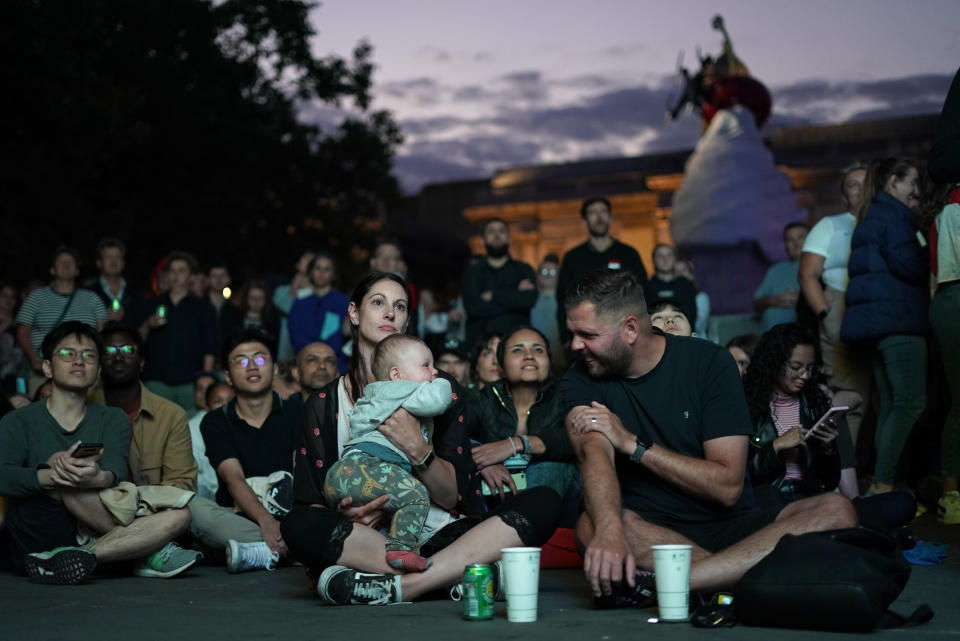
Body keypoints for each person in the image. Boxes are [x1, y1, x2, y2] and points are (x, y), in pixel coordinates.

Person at [561, 270, 855, 607]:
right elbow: (593, 454)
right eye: (573, 334)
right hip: (649, 531)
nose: (575, 345)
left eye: (587, 334)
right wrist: (610, 532)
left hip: (732, 528)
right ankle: (740, 582)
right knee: (591, 526)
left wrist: (634, 445)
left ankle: (681, 583)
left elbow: (727, 487)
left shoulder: (709, 362)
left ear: (629, 329)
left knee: (837, 510)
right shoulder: (581, 375)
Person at [281, 272, 561, 605]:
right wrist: (348, 514)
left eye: (399, 306)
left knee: (545, 500)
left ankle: (403, 585)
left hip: (437, 532)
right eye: (378, 303)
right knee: (297, 524)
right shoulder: (325, 404)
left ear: (407, 320)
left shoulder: (438, 389)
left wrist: (417, 447)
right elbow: (313, 499)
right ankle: (452, 577)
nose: (390, 313)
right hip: (366, 537)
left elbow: (450, 495)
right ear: (354, 313)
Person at [0, 322, 198, 583]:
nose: (79, 362)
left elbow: (114, 470)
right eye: (68, 354)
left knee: (181, 516)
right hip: (40, 529)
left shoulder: (112, 418)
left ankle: (83, 556)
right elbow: (4, 476)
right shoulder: (18, 421)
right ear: (47, 366)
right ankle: (147, 550)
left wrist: (97, 477)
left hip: (93, 526)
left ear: (98, 370)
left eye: (89, 355)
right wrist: (53, 475)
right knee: (69, 484)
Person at [743, 323, 916, 529]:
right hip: (769, 502)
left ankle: (827, 530)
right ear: (774, 362)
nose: (804, 375)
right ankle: (840, 532)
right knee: (770, 499)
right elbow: (740, 477)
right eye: (796, 367)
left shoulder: (814, 403)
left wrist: (827, 449)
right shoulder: (747, 404)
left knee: (902, 503)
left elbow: (828, 482)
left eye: (809, 368)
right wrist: (776, 447)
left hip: (810, 502)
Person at [324, 335, 450, 572]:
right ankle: (400, 549)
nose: (435, 372)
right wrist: (445, 383)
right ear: (396, 375)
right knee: (416, 495)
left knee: (396, 507)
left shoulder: (374, 394)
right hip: (367, 465)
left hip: (345, 474)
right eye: (426, 365)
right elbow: (438, 400)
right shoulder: (400, 390)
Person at [842, 157, 928, 496]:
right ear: (893, 182)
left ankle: (882, 482)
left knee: (892, 405)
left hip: (877, 326)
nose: (917, 191)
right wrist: (926, 243)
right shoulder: (895, 218)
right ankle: (883, 483)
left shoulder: (872, 215)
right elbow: (911, 265)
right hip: (899, 321)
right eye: (912, 182)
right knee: (909, 402)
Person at [193, 328, 299, 573]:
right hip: (240, 517)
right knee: (195, 511)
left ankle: (263, 552)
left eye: (260, 359)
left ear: (273, 369)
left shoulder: (297, 413)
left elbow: (301, 473)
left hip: (292, 517)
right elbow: (233, 479)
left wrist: (286, 524)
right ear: (228, 376)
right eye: (241, 361)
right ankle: (291, 550)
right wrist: (265, 521)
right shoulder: (215, 421)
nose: (252, 366)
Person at [798, 163, 870, 497]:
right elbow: (808, 274)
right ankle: (843, 480)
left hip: (879, 309)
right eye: (852, 185)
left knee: (883, 397)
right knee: (848, 395)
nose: (860, 189)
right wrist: (826, 314)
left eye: (866, 183)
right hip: (839, 308)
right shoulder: (830, 225)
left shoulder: (889, 223)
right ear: (844, 195)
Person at [468, 327, 578, 510]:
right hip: (495, 496)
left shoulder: (565, 394)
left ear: (548, 362)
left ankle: (515, 524)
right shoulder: (487, 396)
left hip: (554, 496)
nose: (529, 356)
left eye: (538, 350)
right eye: (518, 350)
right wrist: (482, 463)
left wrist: (518, 443)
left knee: (549, 466)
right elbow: (452, 434)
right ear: (501, 366)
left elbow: (579, 438)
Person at [99, 322, 197, 492]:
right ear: (98, 363)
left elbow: (181, 483)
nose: (118, 357)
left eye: (128, 350)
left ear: (142, 362)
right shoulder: (83, 411)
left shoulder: (170, 415)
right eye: (109, 351)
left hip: (156, 510)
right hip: (95, 508)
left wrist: (141, 507)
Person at [556, 197, 648, 354]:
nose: (599, 217)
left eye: (603, 212)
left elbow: (643, 293)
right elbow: (562, 300)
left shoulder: (628, 254)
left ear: (610, 218)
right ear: (584, 221)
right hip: (584, 339)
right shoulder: (573, 257)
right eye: (593, 213)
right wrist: (566, 339)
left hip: (623, 337)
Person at [16, 246, 108, 397]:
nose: (66, 264)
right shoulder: (36, 297)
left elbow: (103, 333)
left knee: (88, 417)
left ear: (77, 270)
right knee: (43, 417)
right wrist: (33, 358)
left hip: (84, 370)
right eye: (61, 262)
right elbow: (22, 332)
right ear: (52, 269)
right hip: (44, 373)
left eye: (70, 262)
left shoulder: (92, 299)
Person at [138, 251, 217, 416]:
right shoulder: (152, 303)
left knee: (190, 430)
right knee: (156, 430)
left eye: (181, 270)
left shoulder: (203, 307)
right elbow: (136, 341)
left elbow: (210, 346)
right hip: (156, 381)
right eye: (172, 270)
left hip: (190, 382)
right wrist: (147, 324)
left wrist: (205, 381)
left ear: (191, 276)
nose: (176, 275)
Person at [925, 184, 960, 523]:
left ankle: (951, 496)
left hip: (944, 302)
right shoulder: (956, 207)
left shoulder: (943, 211)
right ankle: (951, 496)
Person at [462, 218, 537, 349]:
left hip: (516, 344)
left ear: (509, 238)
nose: (496, 235)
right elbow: (473, 308)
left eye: (501, 231)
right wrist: (514, 294)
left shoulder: (524, 269)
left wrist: (493, 295)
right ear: (483, 240)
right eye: (491, 231)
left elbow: (529, 300)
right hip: (480, 346)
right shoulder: (472, 272)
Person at [288, 252, 350, 372]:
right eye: (318, 268)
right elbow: (295, 334)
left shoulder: (344, 302)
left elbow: (346, 336)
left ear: (333, 275)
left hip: (336, 366)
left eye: (327, 269)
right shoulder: (300, 303)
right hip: (306, 363)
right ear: (311, 272)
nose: (321, 273)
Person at [753, 223, 808, 331]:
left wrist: (803, 299)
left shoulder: (821, 268)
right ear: (785, 245)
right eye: (790, 239)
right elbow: (755, 304)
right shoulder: (775, 270)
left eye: (800, 238)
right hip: (770, 339)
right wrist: (771, 301)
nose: (796, 243)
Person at [188, 382, 235, 501]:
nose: (225, 406)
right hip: (209, 495)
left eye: (230, 401)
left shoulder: (244, 425)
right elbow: (194, 475)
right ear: (207, 407)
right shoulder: (194, 428)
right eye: (218, 401)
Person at [642, 244, 697, 328]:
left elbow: (692, 314)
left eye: (669, 255)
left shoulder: (686, 285)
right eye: (660, 256)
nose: (665, 259)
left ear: (675, 260)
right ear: (653, 262)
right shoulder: (645, 287)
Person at [273, 251, 315, 360]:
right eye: (306, 258)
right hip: (280, 348)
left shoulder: (317, 296)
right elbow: (285, 306)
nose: (309, 262)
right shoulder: (281, 291)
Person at [87, 238, 137, 324]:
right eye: (108, 257)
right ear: (99, 263)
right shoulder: (88, 294)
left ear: (123, 263)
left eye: (117, 257)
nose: (113, 261)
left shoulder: (136, 293)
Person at [530, 254, 564, 364]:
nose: (548, 275)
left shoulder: (565, 300)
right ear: (537, 275)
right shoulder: (529, 298)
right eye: (544, 271)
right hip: (534, 358)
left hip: (560, 358)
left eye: (553, 272)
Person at [674, 258, 710, 339]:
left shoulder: (701, 297)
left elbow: (698, 325)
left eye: (683, 270)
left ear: (691, 275)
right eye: (675, 271)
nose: (680, 274)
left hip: (699, 341)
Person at [0, 282, 25, 395]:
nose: (8, 300)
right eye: (4, 295)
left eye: (12, 297)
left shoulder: (20, 326)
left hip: (12, 380)